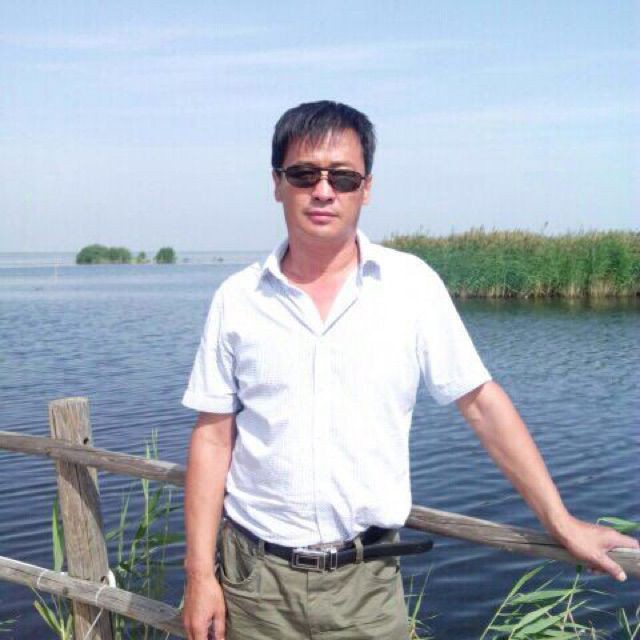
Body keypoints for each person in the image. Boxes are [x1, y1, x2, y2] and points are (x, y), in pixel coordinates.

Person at [181, 100, 638, 640]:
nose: (323, 191)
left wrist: (560, 521)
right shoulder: (237, 299)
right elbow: (213, 438)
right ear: (277, 183)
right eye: (304, 174)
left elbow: (482, 404)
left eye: (343, 177)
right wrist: (199, 575)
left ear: (366, 188)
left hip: (367, 588)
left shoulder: (411, 286)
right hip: (252, 583)